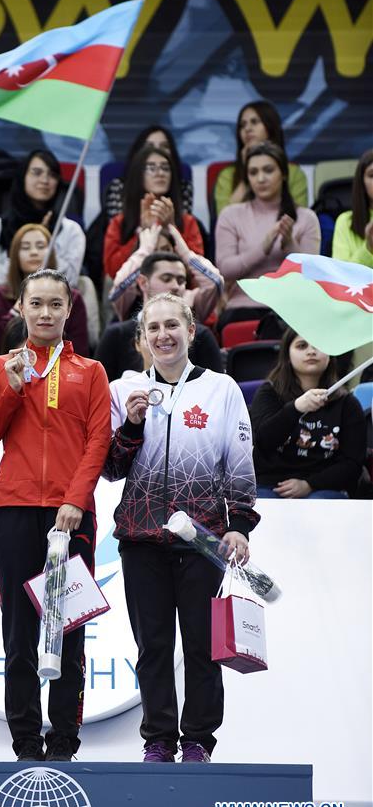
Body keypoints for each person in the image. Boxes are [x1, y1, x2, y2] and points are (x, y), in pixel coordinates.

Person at [103, 292, 259, 763]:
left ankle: (197, 741)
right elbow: (109, 469)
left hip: (205, 538)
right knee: (152, 646)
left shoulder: (222, 389)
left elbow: (240, 461)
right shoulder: (122, 391)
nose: (163, 336)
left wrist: (241, 526)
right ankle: (157, 739)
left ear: (192, 331)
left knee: (201, 647)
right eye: (154, 329)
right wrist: (131, 426)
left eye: (173, 326)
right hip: (140, 535)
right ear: (142, 338)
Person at [0, 268, 111, 762]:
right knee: (19, 631)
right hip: (12, 509)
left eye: (56, 304)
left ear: (70, 310)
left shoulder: (92, 372)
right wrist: (12, 388)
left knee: (69, 629)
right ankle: (26, 741)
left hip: (72, 515)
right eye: (37, 304)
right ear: (21, 308)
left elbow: (99, 440)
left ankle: (64, 741)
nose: (46, 313)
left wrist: (74, 499)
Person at [215, 141, 320, 330]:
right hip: (242, 308)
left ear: (284, 174)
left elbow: (312, 276)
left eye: (268, 170)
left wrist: (290, 245)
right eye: (253, 172)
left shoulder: (306, 218)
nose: (261, 178)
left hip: (292, 309)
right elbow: (225, 269)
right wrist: (263, 248)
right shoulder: (231, 215)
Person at [250, 329, 365, 498]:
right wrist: (295, 408)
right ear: (287, 355)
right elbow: (262, 442)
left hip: (325, 487)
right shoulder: (269, 393)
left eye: (319, 346)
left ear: (330, 356)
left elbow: (353, 463)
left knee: (320, 507)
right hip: (269, 484)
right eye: (302, 346)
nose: (311, 351)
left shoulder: (347, 403)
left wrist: (310, 484)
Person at [97, 249, 223, 381]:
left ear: (191, 332)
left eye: (181, 280)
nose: (175, 286)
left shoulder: (202, 335)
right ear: (143, 283)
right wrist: (145, 248)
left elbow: (218, 389)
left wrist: (185, 251)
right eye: (166, 279)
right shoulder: (116, 335)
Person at [0, 150, 85, 291]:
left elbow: (70, 279)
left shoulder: (71, 230)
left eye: (52, 175)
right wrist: (24, 256)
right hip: (8, 302)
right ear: (23, 177)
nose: (45, 180)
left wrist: (45, 245)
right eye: (37, 172)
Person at [103, 144, 203, 282]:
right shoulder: (120, 222)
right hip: (135, 295)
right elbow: (113, 271)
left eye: (165, 168)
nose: (160, 173)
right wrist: (142, 234)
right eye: (151, 168)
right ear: (139, 175)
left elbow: (198, 272)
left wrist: (172, 230)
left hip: (179, 292)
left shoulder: (188, 221)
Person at [0, 223, 88, 356]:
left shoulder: (73, 297)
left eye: (41, 246)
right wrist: (15, 311)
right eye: (25, 247)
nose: (34, 252)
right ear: (15, 254)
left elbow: (79, 349)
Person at [213, 101, 308, 217]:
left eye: (254, 122)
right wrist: (245, 171)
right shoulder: (227, 175)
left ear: (270, 127)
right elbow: (224, 219)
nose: (247, 129)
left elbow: (300, 219)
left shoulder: (294, 173)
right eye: (242, 125)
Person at [104, 124, 193, 220]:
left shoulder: (182, 186)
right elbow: (118, 229)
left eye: (164, 146)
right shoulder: (120, 186)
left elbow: (184, 227)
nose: (156, 150)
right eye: (149, 146)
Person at [332, 149, 373, 268]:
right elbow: (341, 275)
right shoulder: (345, 221)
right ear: (362, 182)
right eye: (372, 175)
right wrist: (369, 249)